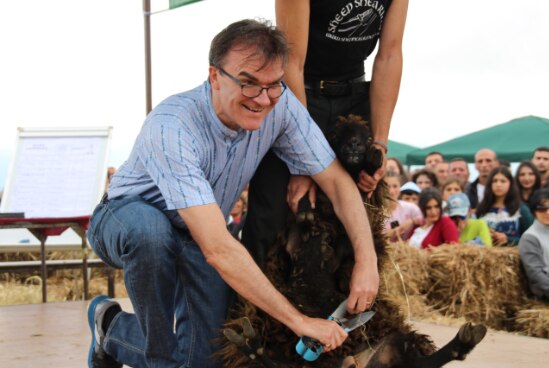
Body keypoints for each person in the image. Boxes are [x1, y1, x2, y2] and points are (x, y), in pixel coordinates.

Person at [86, 20, 379, 368]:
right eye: (248, 84)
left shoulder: (281, 106)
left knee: (208, 359)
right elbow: (219, 248)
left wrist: (367, 260)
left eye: (273, 86)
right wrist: (300, 322)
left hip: (196, 234)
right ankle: (159, 357)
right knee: (151, 234)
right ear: (214, 76)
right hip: (128, 218)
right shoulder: (172, 126)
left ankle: (112, 328)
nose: (262, 99)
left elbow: (337, 182)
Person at [242, 0, 409, 267]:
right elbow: (292, 62)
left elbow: (389, 55)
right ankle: (248, 307)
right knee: (272, 213)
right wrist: (301, 163)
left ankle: (352, 303)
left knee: (356, 212)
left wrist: (379, 143)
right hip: (299, 93)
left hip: (354, 97)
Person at [476, 166, 533, 246]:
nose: (498, 184)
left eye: (503, 181)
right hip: (485, 255)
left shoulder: (521, 209)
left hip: (514, 256)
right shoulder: (482, 208)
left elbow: (532, 239)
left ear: (510, 184)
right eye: (495, 181)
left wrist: (508, 239)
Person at [519, 188, 549, 302]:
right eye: (542, 209)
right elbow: (536, 276)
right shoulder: (530, 237)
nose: (548, 212)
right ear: (534, 211)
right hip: (546, 297)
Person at [383, 171, 423, 242]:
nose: (391, 191)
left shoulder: (410, 207)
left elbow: (425, 219)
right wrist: (394, 232)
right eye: (387, 186)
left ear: (400, 187)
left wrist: (411, 221)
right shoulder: (377, 211)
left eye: (395, 186)